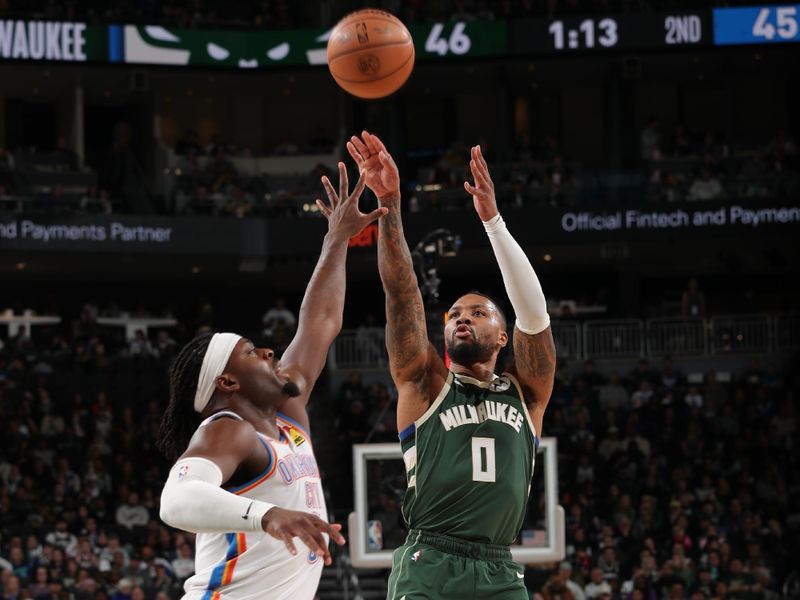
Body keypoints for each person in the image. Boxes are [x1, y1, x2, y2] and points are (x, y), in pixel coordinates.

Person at [156, 163, 387, 600]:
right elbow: (175, 501)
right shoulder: (229, 430)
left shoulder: (288, 420)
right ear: (227, 382)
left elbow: (319, 322)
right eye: (250, 352)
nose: (267, 352)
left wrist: (337, 239)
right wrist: (267, 515)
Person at [347, 132, 555, 600]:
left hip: (500, 569)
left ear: (504, 337)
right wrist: (391, 203)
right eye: (455, 314)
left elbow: (535, 317)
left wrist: (494, 223)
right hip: (430, 563)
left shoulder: (528, 394)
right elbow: (402, 294)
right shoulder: (424, 384)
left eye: (478, 312)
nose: (462, 317)